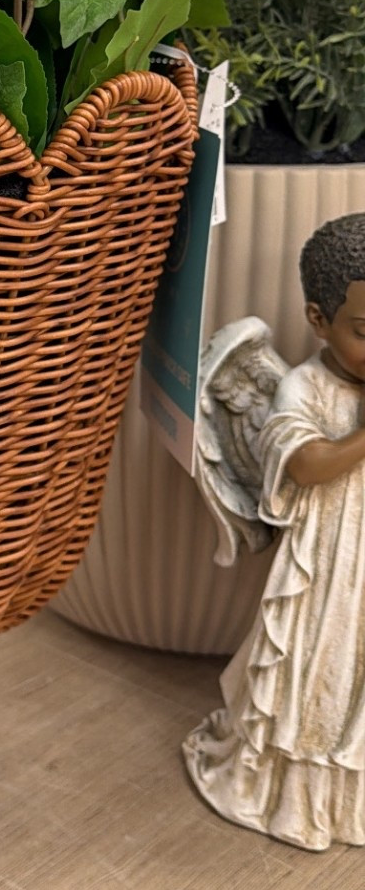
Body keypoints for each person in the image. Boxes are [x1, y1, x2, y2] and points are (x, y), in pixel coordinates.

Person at [183, 213, 365, 850]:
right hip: (331, 559)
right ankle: (293, 794)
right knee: (322, 664)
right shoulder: (305, 387)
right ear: (320, 321)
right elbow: (306, 464)